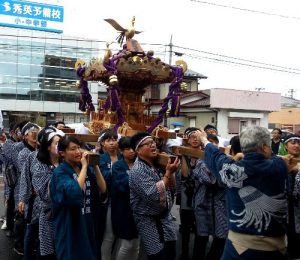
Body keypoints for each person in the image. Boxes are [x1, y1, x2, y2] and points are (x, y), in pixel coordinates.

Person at [198, 125, 288, 259]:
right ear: (264, 147)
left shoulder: (233, 170)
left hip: (238, 249)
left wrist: (204, 140)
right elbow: (276, 158)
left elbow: (215, 155)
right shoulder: (279, 166)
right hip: (276, 249)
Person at [50, 135, 106, 260]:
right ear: (62, 153)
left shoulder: (83, 168)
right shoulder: (59, 173)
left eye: (79, 148)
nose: (78, 152)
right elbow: (73, 192)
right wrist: (85, 166)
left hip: (87, 221)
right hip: (70, 224)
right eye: (73, 149)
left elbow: (103, 189)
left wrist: (95, 165)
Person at [129, 132, 180, 260]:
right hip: (148, 220)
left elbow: (173, 188)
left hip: (164, 218)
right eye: (148, 144)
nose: (153, 146)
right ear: (138, 150)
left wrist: (169, 171)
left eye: (153, 143)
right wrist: (168, 172)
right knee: (158, 256)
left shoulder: (156, 164)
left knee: (171, 253)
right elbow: (154, 195)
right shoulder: (138, 169)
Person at [192, 134, 228, 260]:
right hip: (203, 205)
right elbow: (211, 180)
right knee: (201, 237)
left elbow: (223, 181)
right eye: (209, 143)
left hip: (220, 205)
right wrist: (216, 170)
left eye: (215, 143)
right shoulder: (200, 162)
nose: (212, 145)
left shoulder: (222, 161)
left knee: (221, 237)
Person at [31, 127, 63, 259]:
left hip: (65, 213)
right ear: (48, 147)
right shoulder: (40, 165)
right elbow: (44, 194)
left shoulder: (66, 162)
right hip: (49, 215)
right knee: (48, 252)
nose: (60, 147)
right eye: (57, 144)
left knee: (63, 250)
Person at [111, 137, 139, 260]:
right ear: (121, 151)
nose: (132, 151)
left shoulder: (140, 163)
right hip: (123, 209)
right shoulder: (118, 166)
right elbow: (122, 186)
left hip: (138, 209)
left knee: (136, 244)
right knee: (126, 244)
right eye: (127, 149)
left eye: (133, 148)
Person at [99, 129, 122, 260]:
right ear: (102, 143)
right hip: (109, 201)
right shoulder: (101, 158)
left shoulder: (123, 156)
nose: (112, 143)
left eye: (114, 139)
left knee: (121, 234)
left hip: (122, 200)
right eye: (108, 140)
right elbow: (104, 177)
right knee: (109, 235)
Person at [282, 134, 300, 259]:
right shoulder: (280, 162)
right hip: (285, 209)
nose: (297, 146)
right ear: (286, 146)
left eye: (298, 143)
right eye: (293, 143)